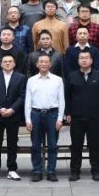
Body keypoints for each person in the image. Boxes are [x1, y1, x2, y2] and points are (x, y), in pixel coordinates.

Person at [64, 49, 99, 181]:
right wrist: (68, 113)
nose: (84, 60)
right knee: (76, 146)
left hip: (94, 117)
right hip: (76, 117)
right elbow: (67, 96)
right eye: (81, 58)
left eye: (86, 58)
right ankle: (75, 171)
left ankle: (96, 171)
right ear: (78, 61)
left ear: (91, 60)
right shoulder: (72, 76)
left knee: (94, 145)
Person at [25, 53, 65, 182]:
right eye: (41, 62)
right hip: (36, 114)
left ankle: (51, 171)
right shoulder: (31, 80)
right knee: (35, 145)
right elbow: (28, 101)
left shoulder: (57, 80)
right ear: (37, 64)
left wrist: (60, 118)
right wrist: (28, 119)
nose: (43, 64)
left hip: (52, 114)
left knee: (53, 145)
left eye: (46, 61)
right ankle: (37, 170)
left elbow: (61, 100)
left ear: (50, 64)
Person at [0, 54, 26, 181]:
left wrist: (12, 109)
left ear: (14, 64)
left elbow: (22, 96)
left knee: (12, 143)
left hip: (13, 115)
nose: (8, 63)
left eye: (10, 61)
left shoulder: (21, 77)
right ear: (1, 64)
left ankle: (12, 169)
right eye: (5, 61)